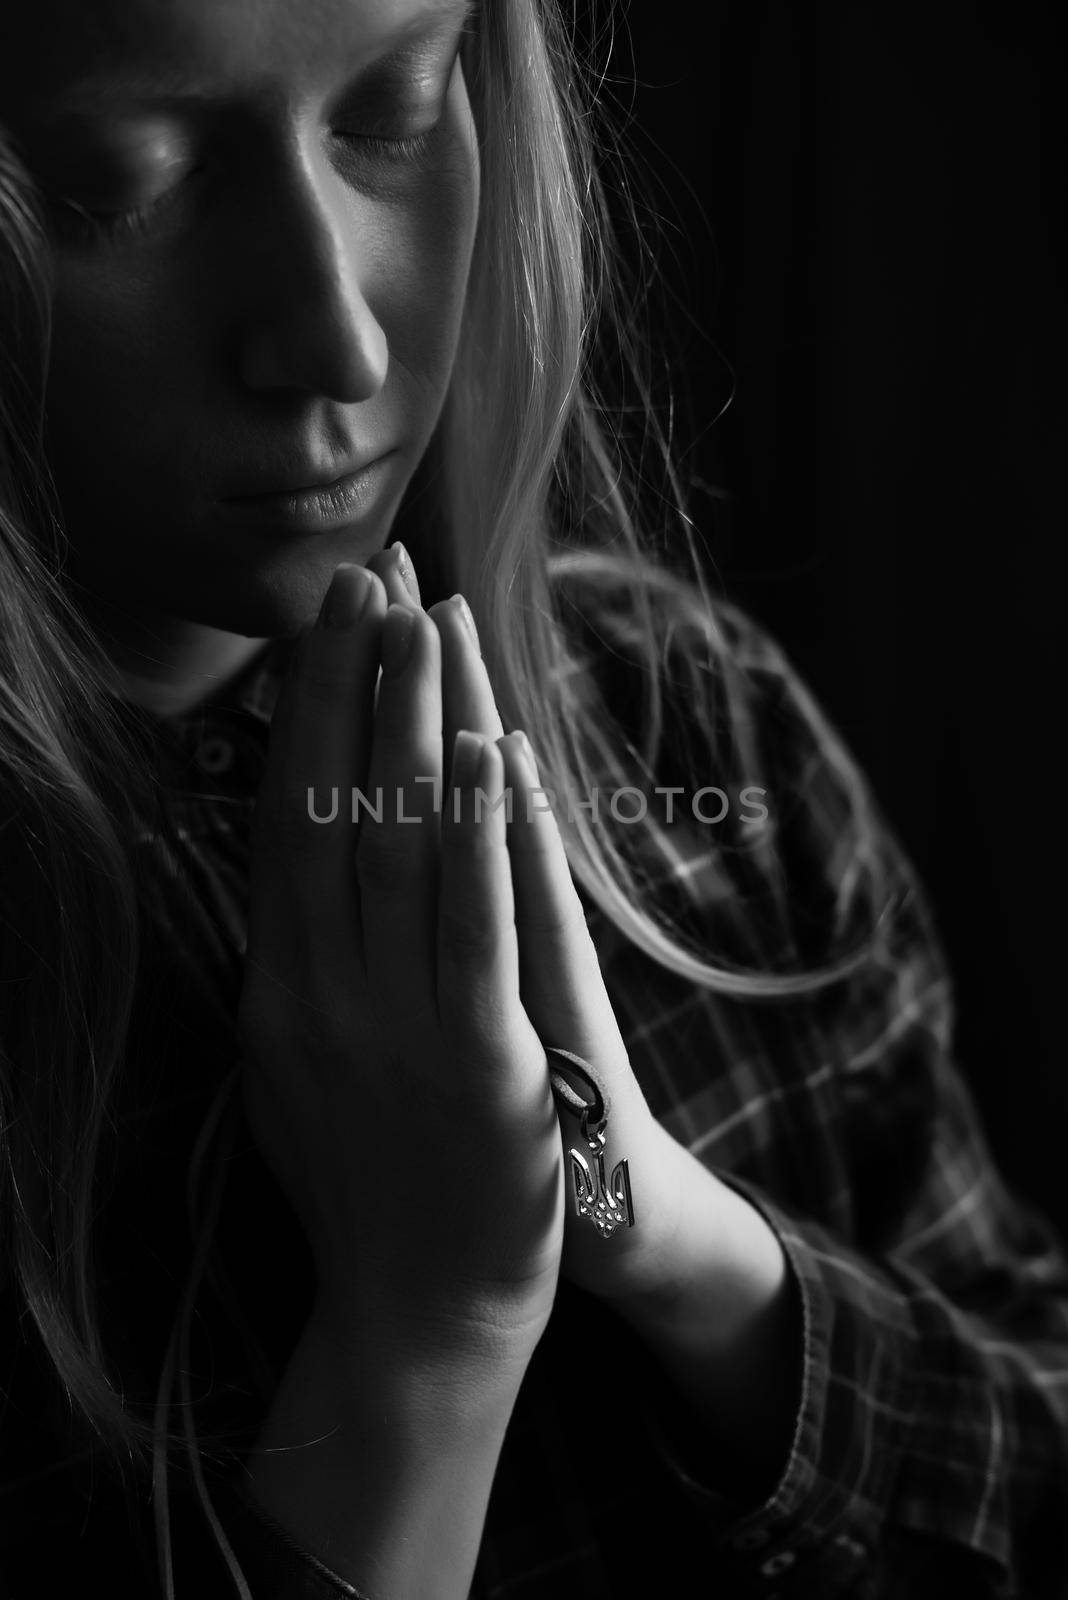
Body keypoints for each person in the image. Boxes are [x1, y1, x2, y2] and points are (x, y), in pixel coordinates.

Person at [1, 0, 1066, 1596]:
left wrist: (665, 1228)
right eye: (122, 184)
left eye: (396, 112)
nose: (336, 337)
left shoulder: (683, 713)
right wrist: (425, 1332)